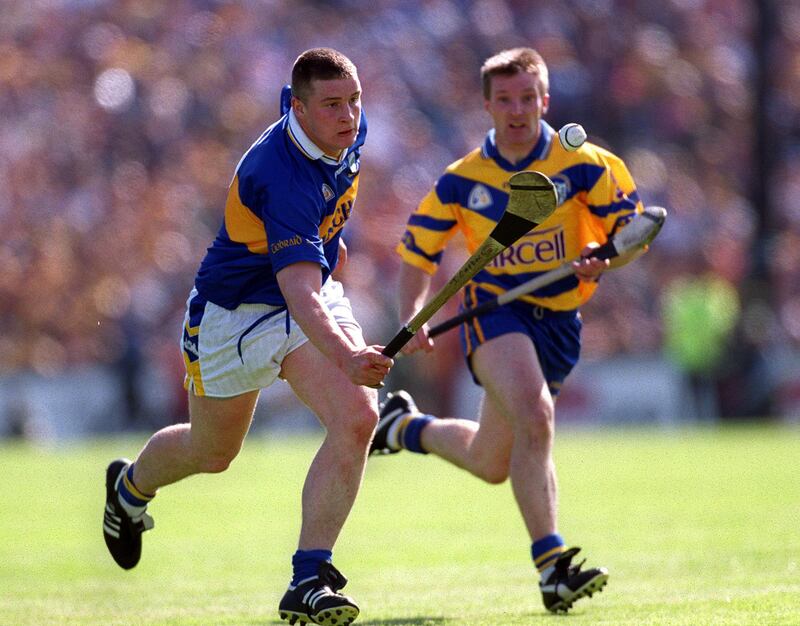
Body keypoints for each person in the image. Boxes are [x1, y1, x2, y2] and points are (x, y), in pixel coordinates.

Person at [102, 48, 393, 626]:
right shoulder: (280, 175)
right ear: (301, 110)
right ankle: (128, 491)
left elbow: (318, 257)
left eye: (355, 100)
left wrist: (338, 266)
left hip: (305, 289)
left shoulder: (341, 131)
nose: (350, 115)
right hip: (235, 316)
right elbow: (300, 296)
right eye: (333, 105)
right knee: (213, 454)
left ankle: (308, 576)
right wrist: (349, 354)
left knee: (358, 417)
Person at [371, 47, 646, 614]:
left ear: (545, 101)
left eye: (528, 98)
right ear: (487, 105)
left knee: (492, 461)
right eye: (505, 100)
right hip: (494, 313)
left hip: (560, 320)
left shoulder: (587, 164)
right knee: (536, 412)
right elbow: (417, 254)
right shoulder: (461, 180)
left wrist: (606, 257)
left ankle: (404, 428)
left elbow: (631, 230)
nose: (517, 110)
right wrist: (412, 315)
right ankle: (553, 566)